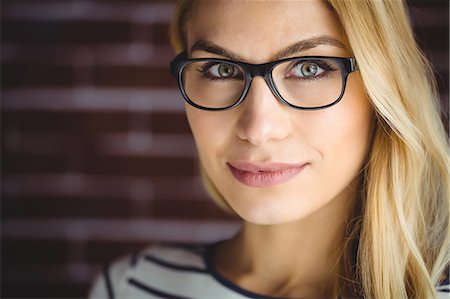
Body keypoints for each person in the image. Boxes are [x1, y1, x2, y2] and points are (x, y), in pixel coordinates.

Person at [89, 0, 450, 298]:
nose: (258, 130)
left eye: (309, 68)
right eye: (220, 69)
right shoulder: (132, 286)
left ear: (382, 90)